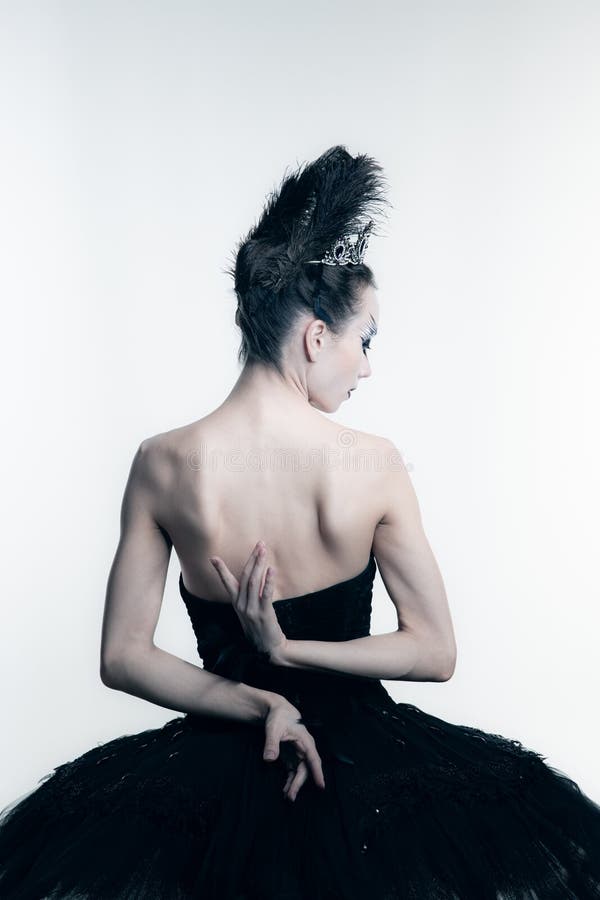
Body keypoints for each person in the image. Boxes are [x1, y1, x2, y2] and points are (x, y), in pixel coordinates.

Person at [0, 145, 599, 899]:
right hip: (370, 773)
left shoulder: (162, 462)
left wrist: (262, 697)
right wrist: (295, 652)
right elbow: (436, 651)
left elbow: (122, 656)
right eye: (365, 340)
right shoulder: (371, 463)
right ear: (317, 337)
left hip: (215, 761)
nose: (366, 366)